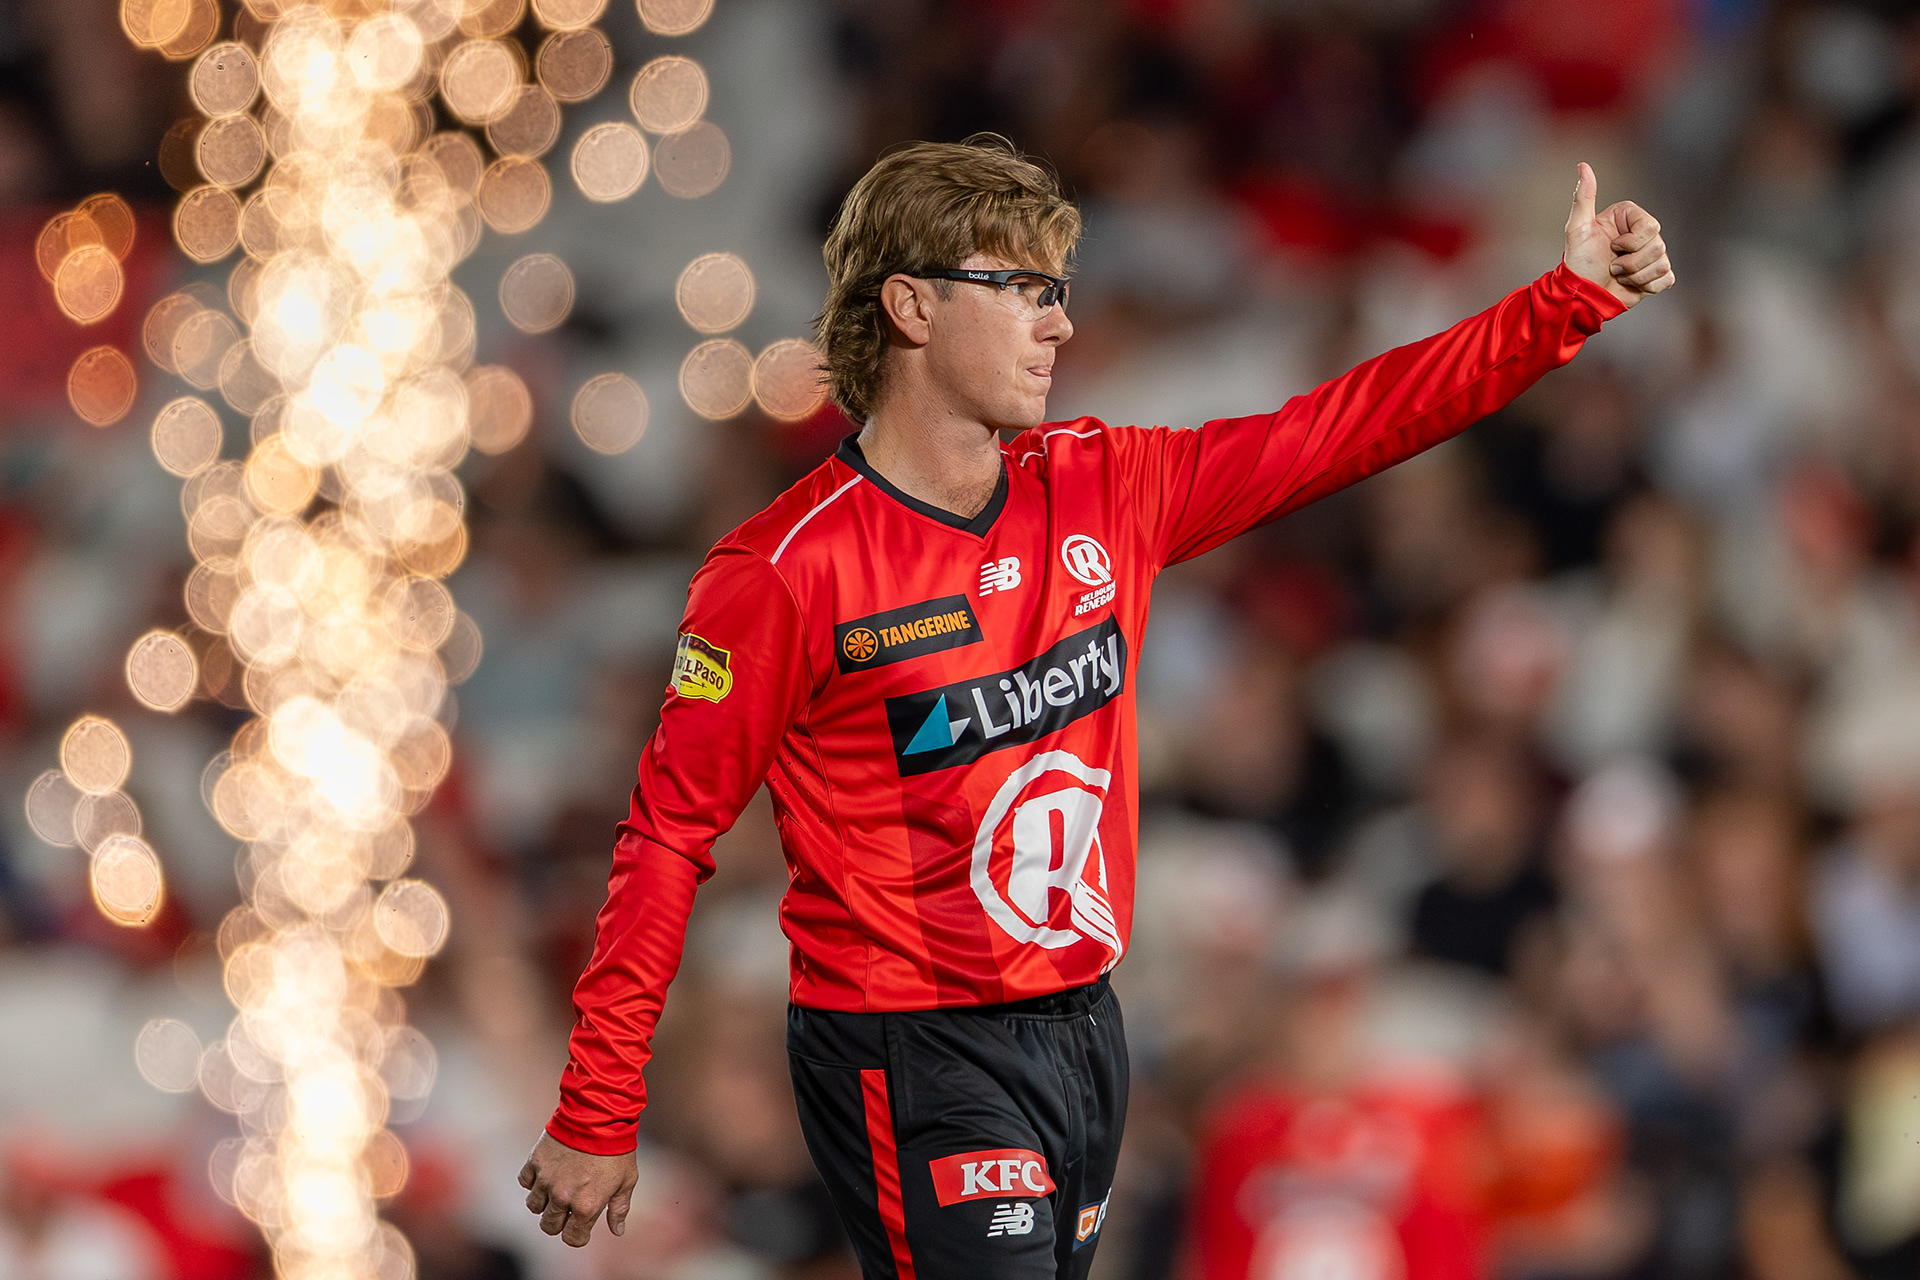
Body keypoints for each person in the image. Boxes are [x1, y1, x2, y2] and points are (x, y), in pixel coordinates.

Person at [518, 135, 1673, 1279]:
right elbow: (667, 832)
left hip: (1084, 1030)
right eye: (1020, 289)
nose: (1059, 324)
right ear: (911, 306)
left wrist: (1565, 301)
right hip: (911, 1046)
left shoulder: (1105, 484)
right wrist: (599, 1104)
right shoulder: (783, 571)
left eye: (1057, 291)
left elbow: (1349, 425)